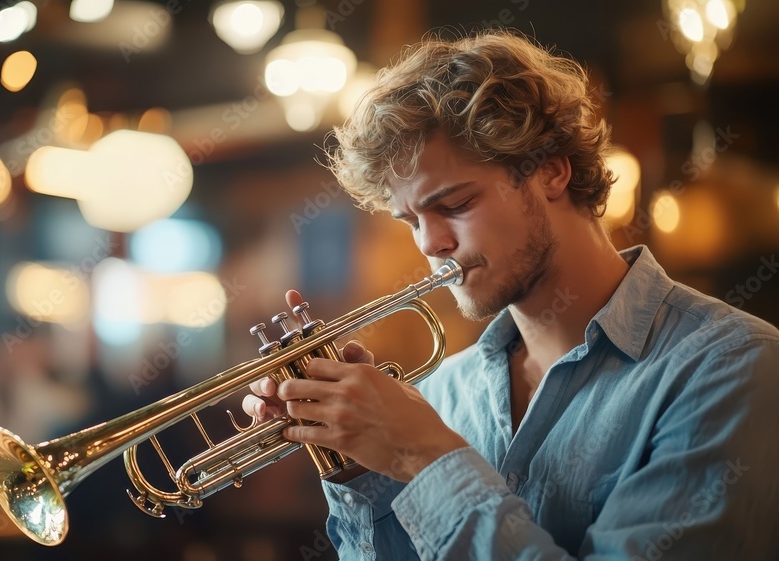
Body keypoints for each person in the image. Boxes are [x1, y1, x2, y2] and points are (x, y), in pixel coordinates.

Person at [243, 29, 779, 560]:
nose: (430, 244)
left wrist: (425, 456)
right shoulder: (440, 393)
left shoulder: (733, 365)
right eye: (412, 221)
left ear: (551, 172)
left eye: (455, 205)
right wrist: (362, 464)